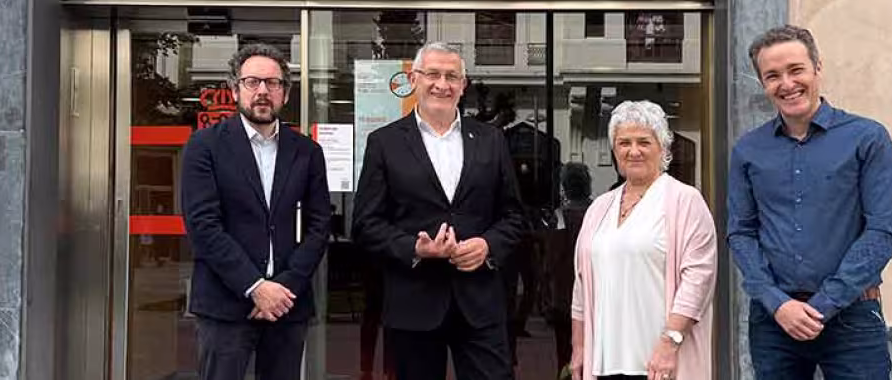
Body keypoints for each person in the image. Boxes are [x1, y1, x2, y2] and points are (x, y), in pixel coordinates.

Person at [728, 25, 892, 379]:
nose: (787, 84)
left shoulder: (867, 138)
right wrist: (778, 304)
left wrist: (824, 304)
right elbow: (741, 232)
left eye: (796, 70)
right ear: (763, 83)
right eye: (773, 75)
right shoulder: (748, 150)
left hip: (852, 316)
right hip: (774, 321)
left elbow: (883, 231)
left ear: (817, 68)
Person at [352, 42, 527, 380]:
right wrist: (414, 248)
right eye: (432, 74)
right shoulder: (384, 143)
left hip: (480, 304)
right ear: (414, 79)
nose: (441, 84)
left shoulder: (491, 140)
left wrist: (488, 246)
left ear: (463, 85)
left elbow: (514, 216)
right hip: (412, 304)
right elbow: (365, 223)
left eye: (452, 76)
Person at [180, 44, 332, 380]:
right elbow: (203, 226)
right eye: (252, 82)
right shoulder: (204, 146)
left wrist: (283, 288)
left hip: (286, 304)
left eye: (272, 83)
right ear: (235, 90)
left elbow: (319, 225)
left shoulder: (307, 152)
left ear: (285, 94)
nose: (262, 91)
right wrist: (255, 287)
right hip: (226, 303)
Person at [571, 100, 718, 380]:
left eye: (644, 142)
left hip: (661, 363)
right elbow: (581, 287)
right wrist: (579, 348)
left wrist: (669, 343)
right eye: (624, 142)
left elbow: (698, 279)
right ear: (614, 150)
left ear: (662, 148)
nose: (633, 151)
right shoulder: (599, 208)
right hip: (605, 362)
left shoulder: (685, 201)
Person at [543, 162, 592, 375]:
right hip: (593, 293)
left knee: (564, 352)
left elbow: (552, 259)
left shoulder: (560, 216)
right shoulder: (598, 211)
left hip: (564, 295)